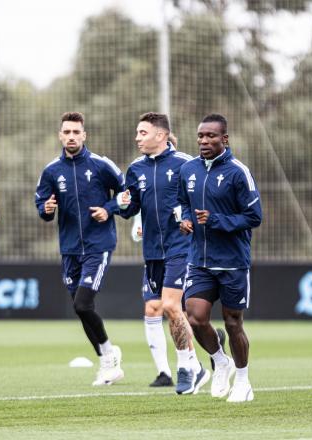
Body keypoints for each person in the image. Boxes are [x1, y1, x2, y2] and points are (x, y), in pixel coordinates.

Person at [119, 113, 211, 394]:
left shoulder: (185, 164)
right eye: (137, 132)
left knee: (171, 307)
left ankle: (185, 366)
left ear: (160, 135)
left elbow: (202, 201)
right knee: (174, 312)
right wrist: (124, 204)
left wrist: (189, 219)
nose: (137, 137)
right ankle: (201, 366)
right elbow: (131, 208)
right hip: (152, 253)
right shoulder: (135, 169)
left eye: (142, 133)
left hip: (181, 248)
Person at [35, 111, 125, 386]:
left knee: (82, 303)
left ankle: (108, 357)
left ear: (84, 135)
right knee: (81, 308)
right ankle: (107, 359)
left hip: (99, 245)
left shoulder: (101, 165)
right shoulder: (51, 171)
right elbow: (42, 205)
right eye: (67, 132)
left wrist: (109, 209)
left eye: (76, 132)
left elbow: (127, 193)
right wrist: (46, 210)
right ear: (60, 135)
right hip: (70, 248)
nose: (71, 136)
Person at [178, 114, 262, 403]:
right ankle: (219, 360)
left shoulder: (239, 172)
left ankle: (243, 380)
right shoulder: (188, 169)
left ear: (224, 139)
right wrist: (186, 219)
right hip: (199, 260)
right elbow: (182, 204)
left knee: (232, 323)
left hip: (232, 262)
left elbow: (254, 216)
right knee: (195, 317)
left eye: (211, 136)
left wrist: (216, 220)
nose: (204, 141)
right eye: (201, 136)